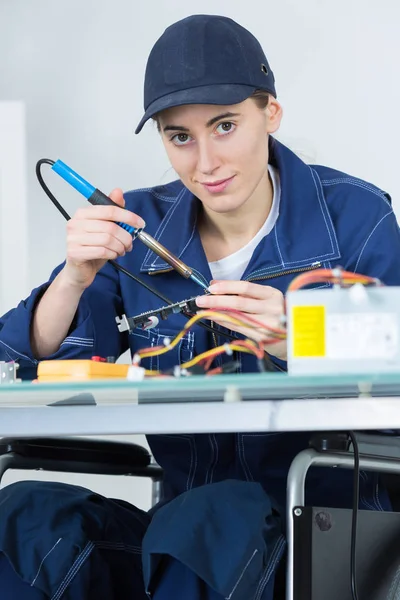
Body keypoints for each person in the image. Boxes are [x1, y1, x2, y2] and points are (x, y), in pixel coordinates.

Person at [0, 13, 400, 600]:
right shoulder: (138, 230)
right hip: (183, 542)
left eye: (225, 126)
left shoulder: (356, 219)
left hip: (326, 529)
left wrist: (301, 339)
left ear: (271, 113)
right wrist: (74, 278)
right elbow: (31, 359)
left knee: (211, 521)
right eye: (179, 136)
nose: (205, 162)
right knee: (25, 517)